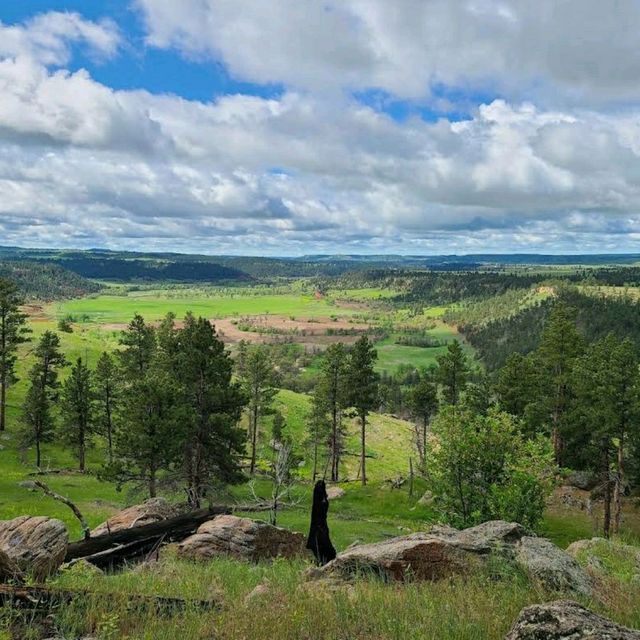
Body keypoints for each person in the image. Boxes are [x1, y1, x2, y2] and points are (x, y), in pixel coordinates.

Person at [306, 479, 337, 565]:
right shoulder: (319, 499)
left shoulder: (321, 499)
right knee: (320, 542)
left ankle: (324, 559)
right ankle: (321, 560)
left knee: (323, 542)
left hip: (321, 524)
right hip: (319, 525)